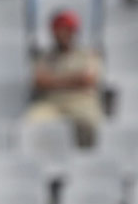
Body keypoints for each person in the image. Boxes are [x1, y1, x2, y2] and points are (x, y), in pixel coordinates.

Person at [23, 9, 103, 148]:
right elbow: (39, 82)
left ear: (74, 31)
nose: (63, 34)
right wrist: (74, 79)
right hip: (52, 103)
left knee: (91, 123)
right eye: (59, 30)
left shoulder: (87, 54)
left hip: (81, 102)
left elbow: (88, 80)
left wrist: (54, 81)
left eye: (67, 30)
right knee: (29, 122)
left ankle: (87, 160)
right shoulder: (45, 56)